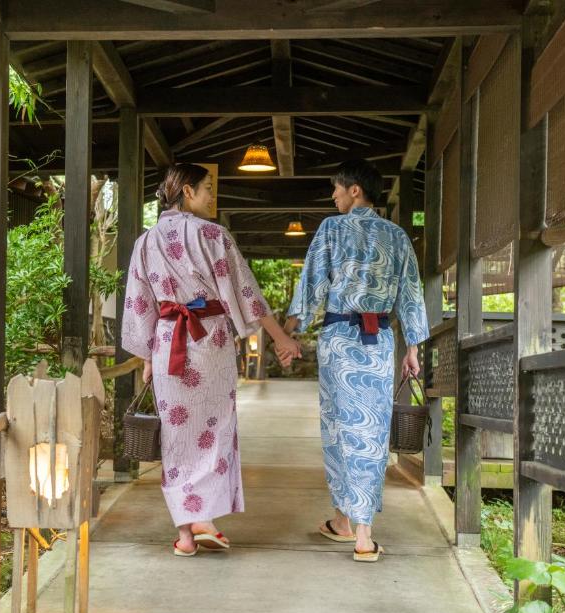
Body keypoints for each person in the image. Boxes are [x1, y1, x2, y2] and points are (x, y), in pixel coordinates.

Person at [121, 163, 302, 557]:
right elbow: (247, 296)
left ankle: (186, 534)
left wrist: (148, 356)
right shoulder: (213, 235)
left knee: (177, 437)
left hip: (168, 344)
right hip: (210, 341)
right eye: (206, 189)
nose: (210, 197)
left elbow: (139, 304)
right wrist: (281, 338)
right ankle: (204, 518)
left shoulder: (145, 242)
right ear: (187, 191)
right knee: (213, 427)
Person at [284, 159, 428, 563]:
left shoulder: (332, 229)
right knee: (371, 432)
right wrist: (412, 349)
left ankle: (346, 522)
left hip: (338, 342)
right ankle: (360, 532)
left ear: (354, 191)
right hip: (378, 342)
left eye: (336, 188)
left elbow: (312, 282)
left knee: (338, 429)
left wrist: (290, 332)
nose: (332, 195)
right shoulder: (397, 237)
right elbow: (411, 295)